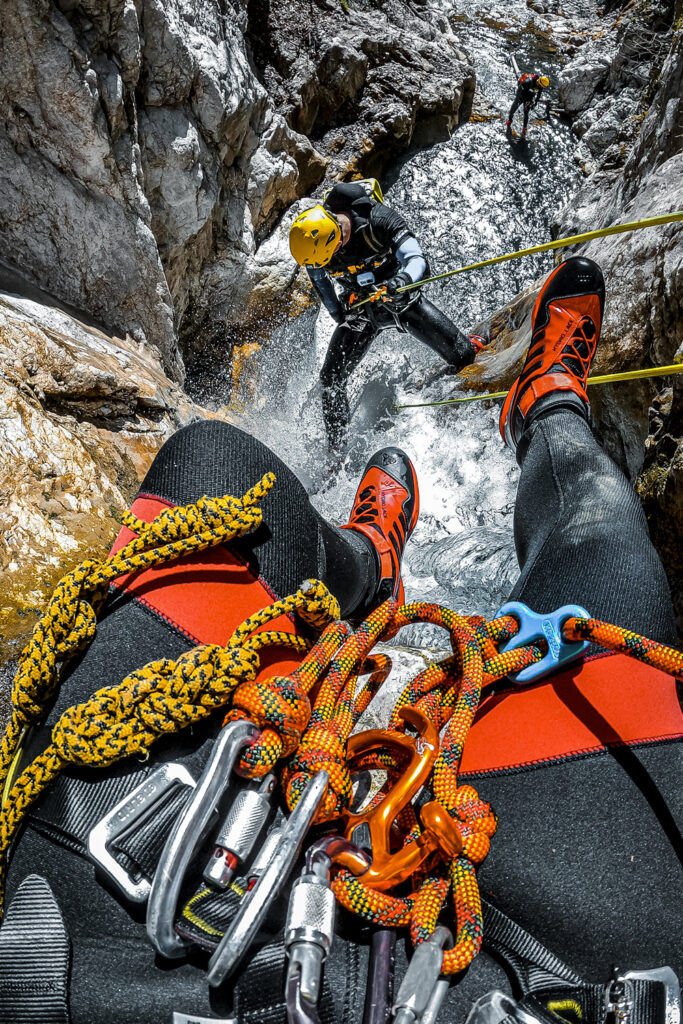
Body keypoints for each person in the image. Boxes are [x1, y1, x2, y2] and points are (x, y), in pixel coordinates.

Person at [2, 258, 681, 1023]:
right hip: (553, 977)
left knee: (215, 464)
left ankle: (366, 563)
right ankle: (549, 403)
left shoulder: (363, 236)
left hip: (103, 904)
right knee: (602, 545)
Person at [289, 180, 487, 450]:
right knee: (331, 378)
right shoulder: (315, 249)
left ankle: (471, 342)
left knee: (463, 356)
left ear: (334, 241)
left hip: (399, 299)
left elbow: (417, 259)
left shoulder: (377, 220)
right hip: (361, 309)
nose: (324, 265)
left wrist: (401, 281)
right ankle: (337, 451)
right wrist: (339, 315)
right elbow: (321, 283)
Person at [506, 72, 549, 137]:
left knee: (526, 113)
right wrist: (518, 99)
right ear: (539, 82)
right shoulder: (528, 81)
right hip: (522, 94)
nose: (541, 87)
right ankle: (509, 120)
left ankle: (524, 128)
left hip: (529, 96)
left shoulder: (541, 85)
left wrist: (535, 103)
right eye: (541, 86)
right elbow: (519, 88)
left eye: (542, 87)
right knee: (514, 108)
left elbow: (539, 94)